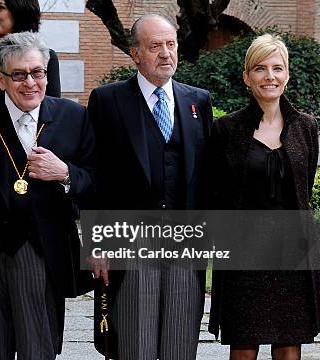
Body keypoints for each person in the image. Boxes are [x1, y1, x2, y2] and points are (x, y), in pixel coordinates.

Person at [0, 31, 94, 359]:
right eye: (18, 74)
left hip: (42, 256)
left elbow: (95, 184)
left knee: (38, 350)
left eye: (38, 73)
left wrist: (64, 173)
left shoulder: (73, 118)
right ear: (1, 79)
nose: (30, 82)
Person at [87, 14, 213, 359]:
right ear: (135, 53)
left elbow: (204, 176)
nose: (165, 53)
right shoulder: (107, 100)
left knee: (180, 345)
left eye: (170, 45)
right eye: (155, 46)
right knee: (135, 345)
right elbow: (97, 178)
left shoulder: (198, 101)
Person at [207, 34, 320, 360]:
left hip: (293, 255)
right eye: (260, 68)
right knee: (243, 348)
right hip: (244, 257)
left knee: (289, 348)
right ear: (247, 76)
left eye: (277, 68)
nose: (270, 76)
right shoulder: (226, 130)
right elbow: (216, 193)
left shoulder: (305, 127)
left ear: (287, 74)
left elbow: (304, 187)